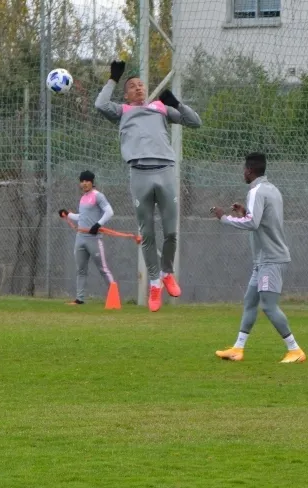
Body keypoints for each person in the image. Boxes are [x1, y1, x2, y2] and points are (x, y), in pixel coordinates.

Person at [95, 59, 201, 312]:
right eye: (133, 86)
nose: (139, 88)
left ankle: (167, 273)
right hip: (139, 173)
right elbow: (100, 105)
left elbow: (195, 122)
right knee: (148, 234)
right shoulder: (121, 111)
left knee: (171, 232)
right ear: (126, 93)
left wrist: (176, 103)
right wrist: (113, 78)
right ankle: (154, 283)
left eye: (141, 85)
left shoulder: (160, 108)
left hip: (165, 171)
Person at [211, 152, 305, 364]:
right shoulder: (271, 189)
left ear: (249, 171)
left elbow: (253, 224)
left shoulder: (256, 191)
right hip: (263, 261)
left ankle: (295, 349)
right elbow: (262, 220)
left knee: (269, 306)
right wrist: (245, 213)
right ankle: (238, 348)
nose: (242, 172)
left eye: (244, 169)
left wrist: (224, 219)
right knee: (250, 302)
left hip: (271, 259)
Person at [59, 170, 117, 305]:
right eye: (82, 181)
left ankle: (114, 297)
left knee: (103, 269)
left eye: (87, 181)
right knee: (81, 269)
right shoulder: (83, 198)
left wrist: (98, 224)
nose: (84, 184)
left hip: (94, 239)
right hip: (81, 238)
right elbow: (82, 216)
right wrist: (67, 214)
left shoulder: (98, 196)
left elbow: (109, 212)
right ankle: (79, 299)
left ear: (92, 182)